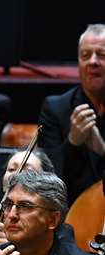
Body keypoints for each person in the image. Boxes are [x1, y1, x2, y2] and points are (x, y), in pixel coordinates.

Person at [38, 24, 105, 204]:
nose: (93, 61)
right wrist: (73, 142)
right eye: (85, 55)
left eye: (102, 55)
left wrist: (102, 150)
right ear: (78, 62)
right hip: (72, 212)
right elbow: (48, 181)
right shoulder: (55, 108)